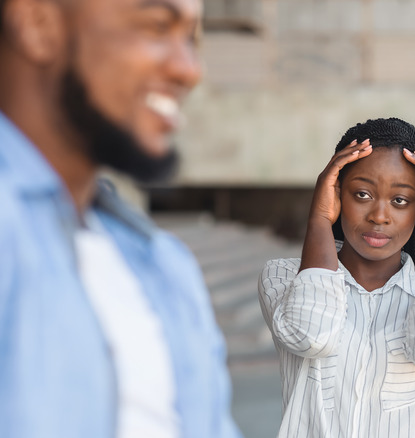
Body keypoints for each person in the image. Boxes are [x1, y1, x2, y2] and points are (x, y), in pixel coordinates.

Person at [0, 0, 240, 436]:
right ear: (37, 23)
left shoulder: (165, 265)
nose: (189, 69)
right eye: (155, 27)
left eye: (190, 38)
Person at [258, 118, 415, 438]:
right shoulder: (283, 279)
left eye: (400, 200)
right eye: (362, 194)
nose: (379, 215)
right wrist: (319, 219)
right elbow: (311, 335)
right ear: (335, 194)